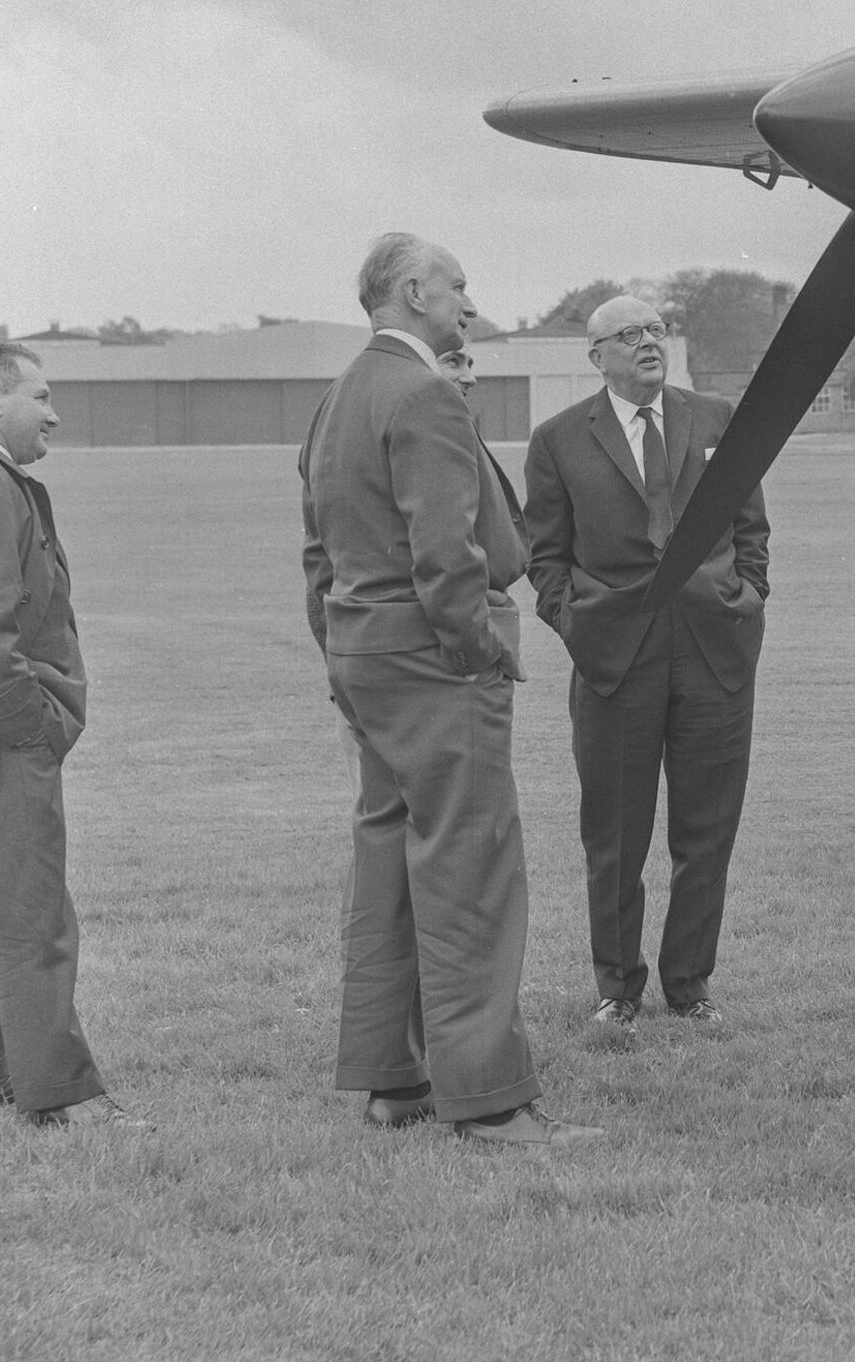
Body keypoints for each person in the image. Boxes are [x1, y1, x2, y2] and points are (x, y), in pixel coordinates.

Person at [301, 234, 601, 1147]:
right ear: (413, 290)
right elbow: (446, 552)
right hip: (435, 661)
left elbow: (318, 548)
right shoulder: (425, 391)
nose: (468, 304)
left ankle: (397, 1081)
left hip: (365, 653)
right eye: (458, 287)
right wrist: (476, 652)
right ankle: (492, 1102)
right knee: (471, 870)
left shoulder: (340, 396)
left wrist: (341, 650)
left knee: (390, 865)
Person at [524, 295, 768, 1039]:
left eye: (655, 330)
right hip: (614, 661)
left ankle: (690, 984)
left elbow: (751, 527)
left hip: (713, 653)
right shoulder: (559, 440)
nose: (647, 344)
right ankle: (617, 989)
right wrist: (579, 625)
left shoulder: (719, 421)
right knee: (616, 836)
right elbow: (546, 560)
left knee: (708, 829)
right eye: (627, 336)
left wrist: (745, 596)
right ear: (595, 356)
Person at [0, 341, 143, 1129]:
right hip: (1, 742)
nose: (54, 412)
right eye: (38, 396)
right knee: (32, 914)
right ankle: (61, 1096)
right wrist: (34, 726)